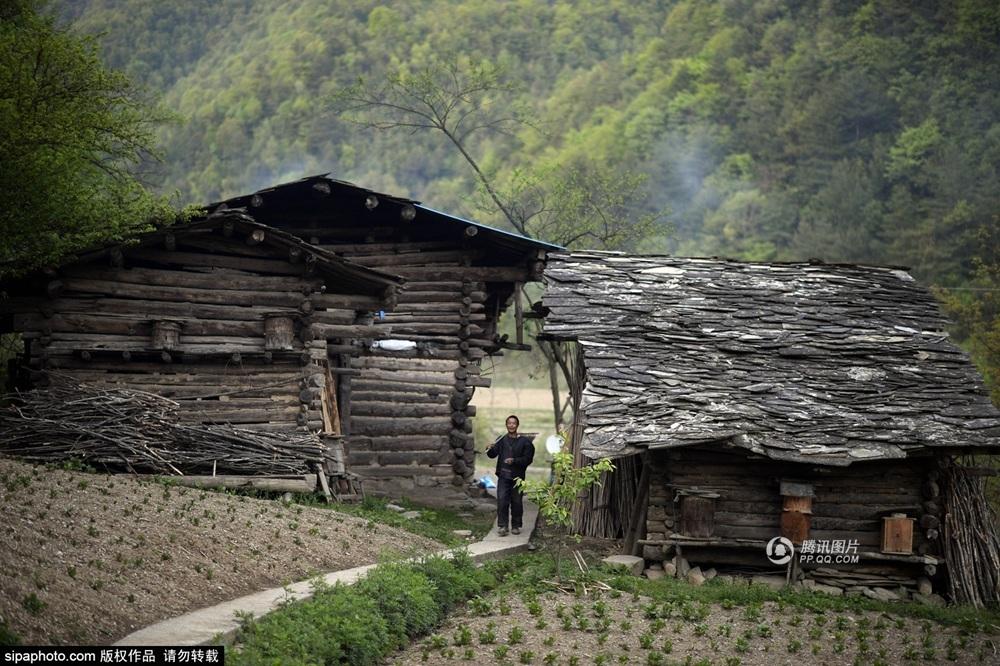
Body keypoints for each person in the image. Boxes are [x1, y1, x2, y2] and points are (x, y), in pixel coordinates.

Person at [486, 414, 535, 536]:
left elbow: (528, 459)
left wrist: (514, 461)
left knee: (517, 501)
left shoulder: (525, 442)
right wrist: (490, 448)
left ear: (517, 425)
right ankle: (503, 526)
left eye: (513, 423)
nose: (511, 425)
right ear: (506, 425)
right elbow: (492, 455)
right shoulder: (501, 439)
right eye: (509, 423)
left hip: (518, 477)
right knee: (502, 500)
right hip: (503, 475)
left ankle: (516, 526)